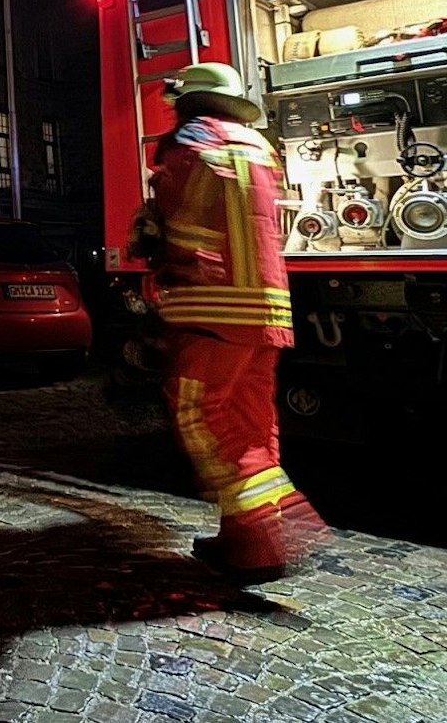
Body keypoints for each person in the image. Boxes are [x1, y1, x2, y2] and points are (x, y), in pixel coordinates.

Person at [136, 61, 330, 586]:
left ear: (190, 103)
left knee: (204, 419)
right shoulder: (257, 146)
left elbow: (179, 227)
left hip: (212, 307)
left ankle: (277, 530)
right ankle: (247, 542)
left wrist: (152, 242)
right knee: (251, 422)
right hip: (267, 306)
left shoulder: (191, 144)